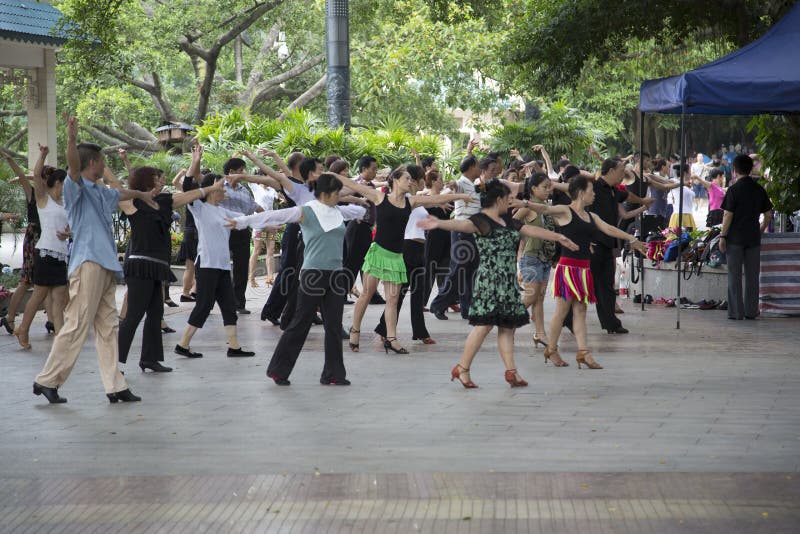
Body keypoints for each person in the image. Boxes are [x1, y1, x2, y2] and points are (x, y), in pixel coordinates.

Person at [33, 114, 156, 404]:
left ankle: (115, 385)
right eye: (101, 161)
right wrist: (72, 138)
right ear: (93, 163)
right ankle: (47, 380)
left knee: (108, 326)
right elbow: (73, 166)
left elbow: (121, 192)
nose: (104, 165)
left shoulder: (101, 192)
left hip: (106, 265)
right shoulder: (76, 188)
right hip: (87, 261)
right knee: (76, 323)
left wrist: (141, 193)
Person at [417, 180, 579, 388]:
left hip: (507, 283)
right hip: (490, 282)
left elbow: (531, 230)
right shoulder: (481, 220)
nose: (511, 202)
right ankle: (462, 368)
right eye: (508, 199)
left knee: (507, 327)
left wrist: (559, 237)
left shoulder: (509, 221)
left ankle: (511, 372)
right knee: (483, 328)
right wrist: (439, 223)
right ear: (499, 199)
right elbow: (462, 225)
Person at [226, 174, 365, 385]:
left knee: (334, 326)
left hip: (336, 275)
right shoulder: (305, 211)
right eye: (337, 193)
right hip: (313, 275)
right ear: (326, 194)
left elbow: (365, 211)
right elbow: (273, 216)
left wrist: (375, 204)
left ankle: (333, 374)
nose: (340, 196)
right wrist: (241, 221)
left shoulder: (339, 212)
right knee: (300, 323)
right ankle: (278, 370)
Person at [341, 167, 471, 354]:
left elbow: (435, 198)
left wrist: (460, 197)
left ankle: (392, 339)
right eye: (407, 178)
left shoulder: (411, 201)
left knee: (393, 299)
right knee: (366, 294)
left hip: (396, 256)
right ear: (395, 180)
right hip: (378, 253)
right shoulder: (380, 197)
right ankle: (355, 330)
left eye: (411, 179)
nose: (410, 182)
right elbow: (353, 184)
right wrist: (328, 175)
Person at [118, 167, 226, 373]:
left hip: (157, 266)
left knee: (156, 312)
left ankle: (149, 359)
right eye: (158, 180)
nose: (161, 183)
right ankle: (116, 363)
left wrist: (211, 187)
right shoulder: (133, 203)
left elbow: (187, 196)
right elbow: (116, 190)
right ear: (147, 182)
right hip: (140, 265)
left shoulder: (164, 201)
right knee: (133, 315)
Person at [536, 175, 647, 369]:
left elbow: (609, 229)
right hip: (568, 269)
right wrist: (524, 203)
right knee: (562, 312)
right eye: (591, 191)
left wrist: (631, 238)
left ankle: (583, 352)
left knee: (581, 310)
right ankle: (551, 349)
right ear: (581, 193)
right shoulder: (565, 211)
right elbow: (545, 208)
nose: (594, 194)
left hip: (583, 269)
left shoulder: (590, 216)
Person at [564, 158, 653, 335]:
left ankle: (611, 323)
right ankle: (566, 318)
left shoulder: (614, 191)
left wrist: (643, 201)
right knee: (583, 282)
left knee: (605, 283)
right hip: (591, 243)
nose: (623, 175)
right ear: (611, 170)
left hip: (606, 242)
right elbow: (573, 199)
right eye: (621, 171)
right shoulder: (593, 188)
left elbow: (628, 197)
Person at [174, 173, 255, 359]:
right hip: (207, 264)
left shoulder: (223, 211)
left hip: (223, 267)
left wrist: (275, 220)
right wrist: (195, 162)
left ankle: (234, 346)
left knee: (228, 305)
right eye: (222, 185)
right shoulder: (199, 208)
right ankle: (183, 344)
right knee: (204, 305)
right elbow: (188, 188)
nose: (225, 189)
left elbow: (245, 219)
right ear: (213, 188)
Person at [13, 144, 69, 349]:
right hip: (45, 254)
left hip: (61, 256)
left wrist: (69, 233)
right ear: (57, 183)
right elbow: (36, 174)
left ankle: (61, 338)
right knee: (38, 296)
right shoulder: (44, 200)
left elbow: (70, 228)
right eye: (66, 183)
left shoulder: (66, 204)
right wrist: (43, 154)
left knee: (59, 299)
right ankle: (23, 331)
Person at [374, 165, 436, 345]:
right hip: (407, 247)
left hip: (419, 250)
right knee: (399, 293)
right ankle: (384, 329)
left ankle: (420, 331)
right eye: (422, 178)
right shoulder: (404, 199)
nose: (425, 181)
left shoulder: (416, 199)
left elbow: (432, 198)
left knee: (418, 292)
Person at [719, 155, 773, 321]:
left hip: (734, 239)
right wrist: (761, 228)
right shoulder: (759, 189)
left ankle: (736, 313)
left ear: (734, 171)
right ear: (751, 169)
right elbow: (768, 214)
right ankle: (751, 311)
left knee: (734, 276)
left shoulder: (733, 190)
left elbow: (728, 215)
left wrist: (723, 236)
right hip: (753, 238)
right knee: (752, 276)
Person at [514, 173, 558, 353]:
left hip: (545, 258)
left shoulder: (546, 207)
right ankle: (510, 321)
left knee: (539, 298)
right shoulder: (526, 208)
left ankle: (540, 334)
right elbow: (511, 225)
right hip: (530, 258)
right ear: (533, 189)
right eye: (544, 186)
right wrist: (521, 243)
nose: (548, 190)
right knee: (531, 297)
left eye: (549, 186)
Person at [0, 148, 42, 335]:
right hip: (34, 240)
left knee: (49, 282)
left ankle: (54, 320)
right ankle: (10, 317)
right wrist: (10, 159)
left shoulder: (53, 197)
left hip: (47, 242)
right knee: (27, 281)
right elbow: (23, 176)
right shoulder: (32, 194)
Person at [221, 156, 263, 313]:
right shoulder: (219, 186)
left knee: (241, 268)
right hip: (223, 231)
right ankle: (213, 299)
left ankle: (239, 303)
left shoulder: (244, 190)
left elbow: (255, 206)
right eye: (241, 170)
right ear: (231, 172)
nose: (244, 173)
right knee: (219, 267)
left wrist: (270, 219)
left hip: (242, 232)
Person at [248, 180, 280, 287]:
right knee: (257, 249)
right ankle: (251, 278)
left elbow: (279, 196)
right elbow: (247, 177)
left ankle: (270, 278)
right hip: (260, 224)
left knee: (270, 250)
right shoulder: (255, 187)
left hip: (271, 224)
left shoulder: (272, 190)